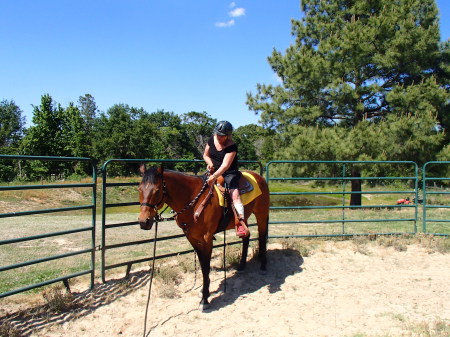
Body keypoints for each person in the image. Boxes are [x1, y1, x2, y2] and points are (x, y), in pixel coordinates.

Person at [203, 120, 247, 237]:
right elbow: (205, 155)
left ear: (228, 136)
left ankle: (240, 223)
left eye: (222, 135)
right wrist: (209, 163)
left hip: (229, 173)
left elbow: (225, 166)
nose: (218, 137)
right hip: (213, 171)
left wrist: (214, 176)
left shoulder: (231, 146)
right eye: (217, 134)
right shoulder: (212, 139)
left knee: (235, 195)